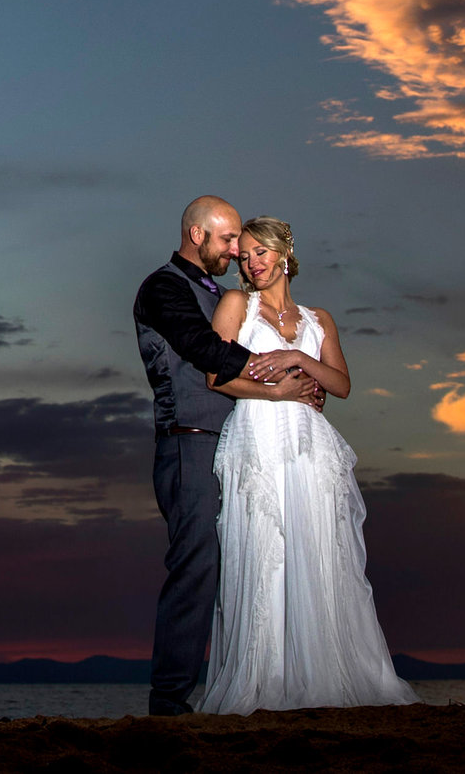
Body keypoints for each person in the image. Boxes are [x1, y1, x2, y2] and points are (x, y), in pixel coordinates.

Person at [194, 216, 416, 712]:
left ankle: (327, 673)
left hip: (310, 444)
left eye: (262, 252)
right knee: (265, 547)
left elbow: (340, 385)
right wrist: (275, 395)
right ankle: (265, 678)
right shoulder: (235, 305)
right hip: (258, 434)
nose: (253, 263)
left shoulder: (320, 319)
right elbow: (215, 377)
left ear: (284, 254)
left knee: (319, 547)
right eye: (245, 255)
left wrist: (300, 360)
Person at [131, 196, 320, 716]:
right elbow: (202, 347)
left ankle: (259, 684)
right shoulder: (163, 287)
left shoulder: (224, 292)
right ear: (196, 235)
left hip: (237, 445)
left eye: (240, 241)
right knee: (196, 567)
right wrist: (287, 377)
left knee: (249, 562)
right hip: (188, 441)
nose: (237, 250)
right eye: (227, 239)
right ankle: (169, 704)